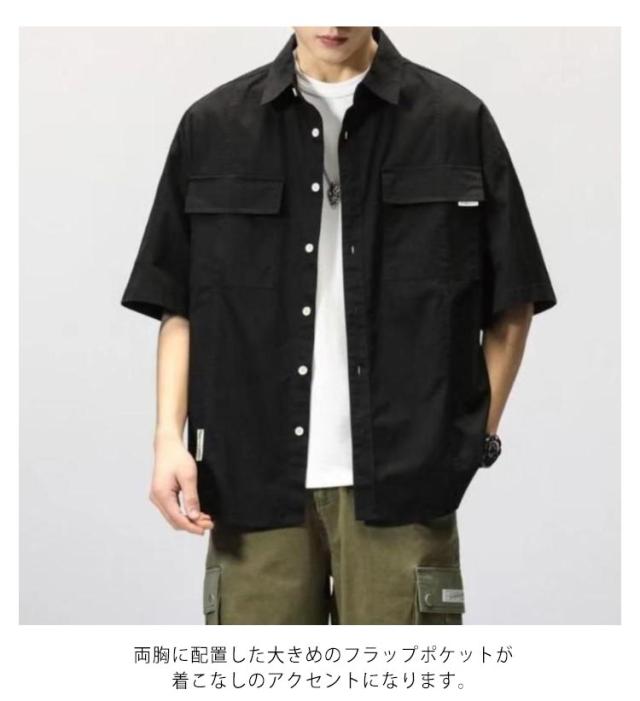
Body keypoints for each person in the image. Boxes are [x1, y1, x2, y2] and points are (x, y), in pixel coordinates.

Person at [121, 26, 557, 624]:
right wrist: (167, 438)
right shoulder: (213, 127)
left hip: (405, 488)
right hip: (251, 481)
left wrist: (470, 439)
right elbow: (180, 304)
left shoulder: (455, 121)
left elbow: (513, 299)